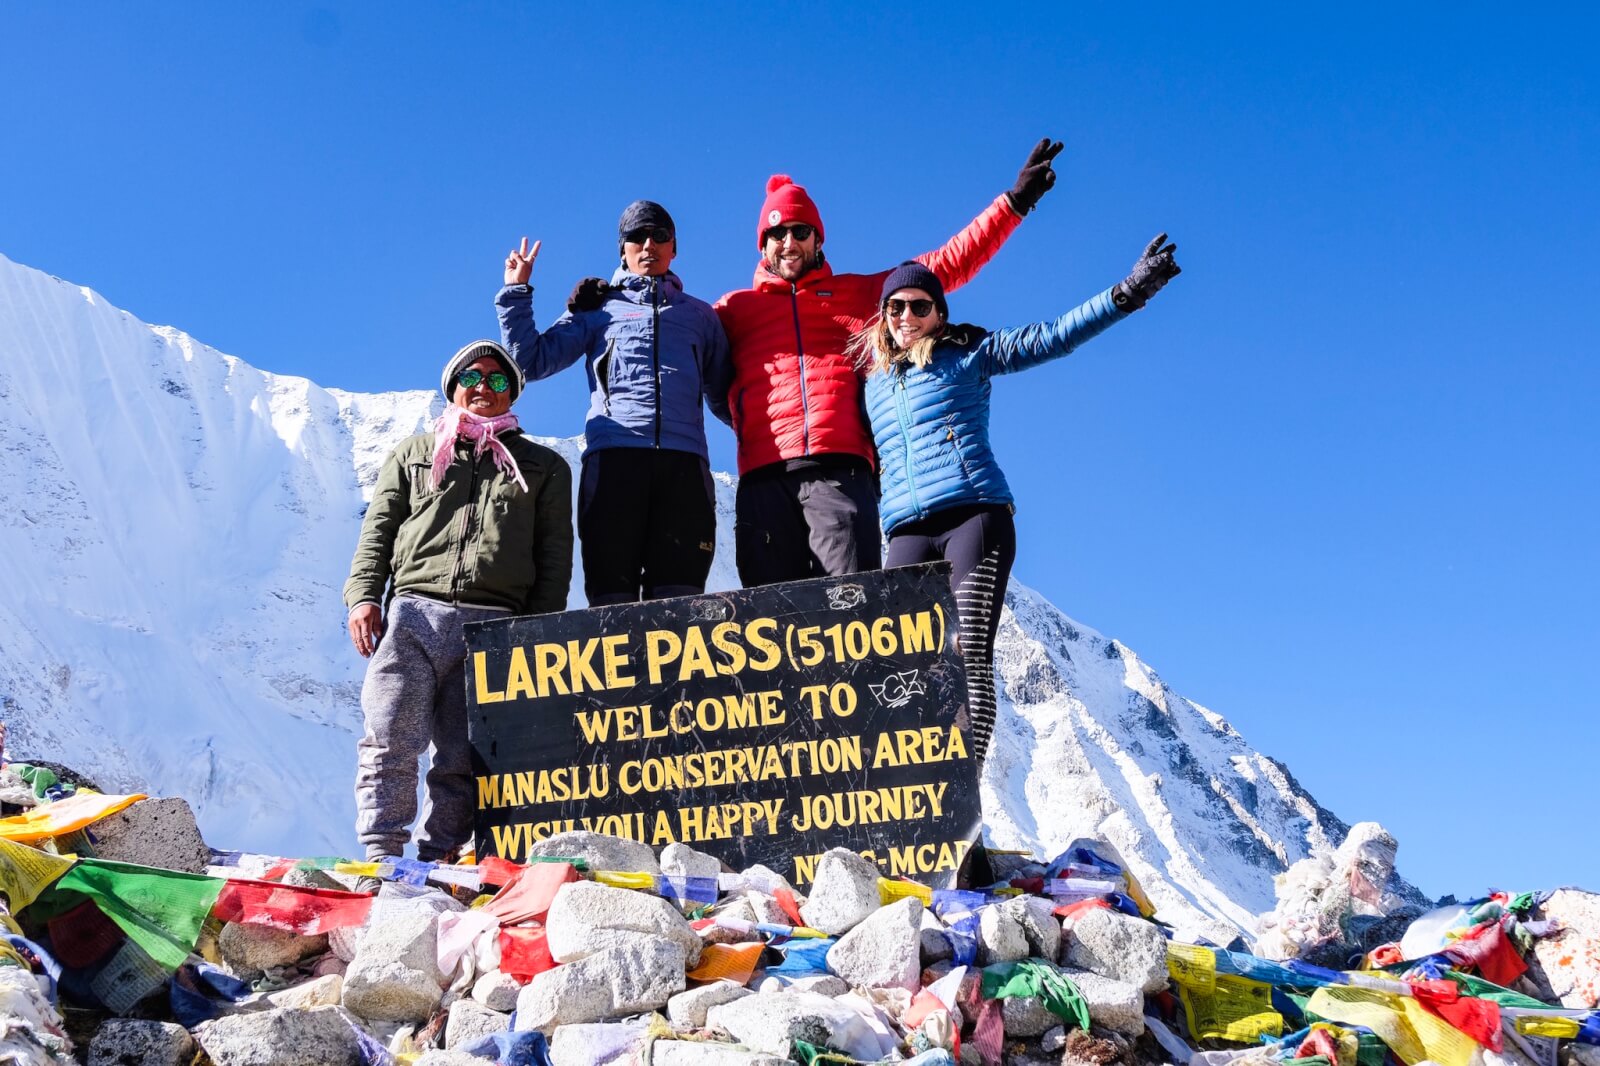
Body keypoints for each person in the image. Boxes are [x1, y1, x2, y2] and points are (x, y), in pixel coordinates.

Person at [858, 237, 1181, 762]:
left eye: (920, 306)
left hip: (973, 517)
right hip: (906, 532)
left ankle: (966, 810)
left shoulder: (968, 355)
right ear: (884, 314)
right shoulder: (872, 384)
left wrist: (1127, 293)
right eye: (896, 306)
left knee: (966, 655)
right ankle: (920, 800)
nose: (906, 316)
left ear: (939, 313)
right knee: (905, 668)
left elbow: (1053, 338)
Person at [714, 139, 1064, 587]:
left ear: (818, 239)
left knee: (852, 617)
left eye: (801, 231)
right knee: (771, 621)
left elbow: (946, 264)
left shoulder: (860, 295)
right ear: (762, 245)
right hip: (764, 478)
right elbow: (689, 354)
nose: (789, 242)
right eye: (777, 234)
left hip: (841, 474)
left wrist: (1014, 204)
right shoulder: (732, 310)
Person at [343, 340, 573, 866]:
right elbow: (378, 531)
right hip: (412, 613)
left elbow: (554, 558)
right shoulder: (413, 453)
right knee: (389, 737)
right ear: (452, 387)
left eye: (497, 380)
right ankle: (381, 857)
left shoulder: (544, 467)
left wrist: (534, 635)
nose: (483, 388)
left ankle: (441, 857)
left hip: (495, 629)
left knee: (465, 756)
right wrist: (363, 597)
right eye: (472, 376)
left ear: (512, 392)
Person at [497, 201, 732, 606]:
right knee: (611, 601)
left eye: (659, 236)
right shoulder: (595, 311)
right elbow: (528, 362)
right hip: (614, 463)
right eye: (636, 237)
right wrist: (516, 292)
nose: (648, 245)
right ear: (621, 249)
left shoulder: (700, 316)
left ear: (674, 248)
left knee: (680, 603)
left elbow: (726, 394)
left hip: (684, 468)